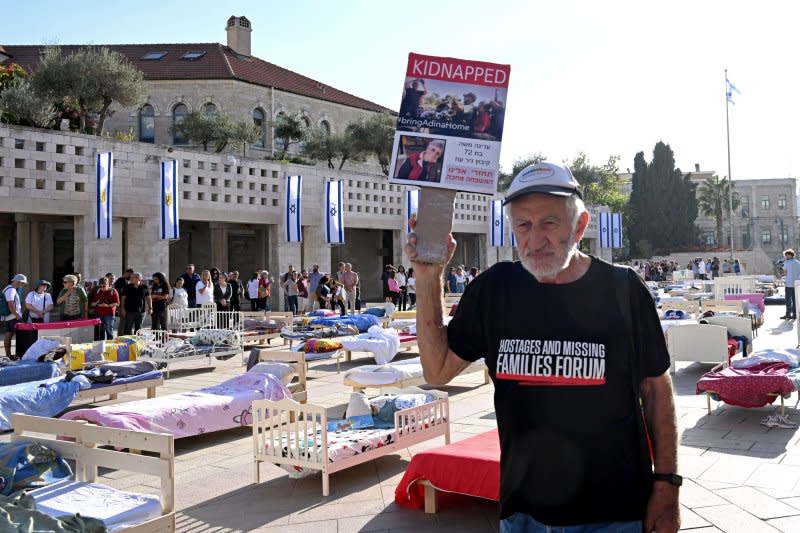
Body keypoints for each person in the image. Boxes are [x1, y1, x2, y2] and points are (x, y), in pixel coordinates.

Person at [405, 161, 680, 532]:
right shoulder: (494, 290)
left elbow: (657, 389)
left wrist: (667, 486)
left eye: (549, 223)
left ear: (580, 226)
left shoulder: (623, 289)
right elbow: (437, 370)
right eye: (523, 225)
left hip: (613, 514)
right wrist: (428, 276)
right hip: (523, 514)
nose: (534, 240)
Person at [2, 274, 27, 358]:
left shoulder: (7, 288)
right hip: (13, 317)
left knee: (9, 334)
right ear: (17, 281)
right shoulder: (11, 290)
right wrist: (17, 315)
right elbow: (11, 304)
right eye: (22, 283)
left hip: (8, 316)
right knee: (22, 335)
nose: (22, 285)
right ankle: (19, 355)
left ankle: (8, 355)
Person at [782, 249, 800, 320]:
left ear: (789, 255)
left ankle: (788, 314)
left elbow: (785, 273)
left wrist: (783, 274)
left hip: (789, 284)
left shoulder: (786, 262)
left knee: (788, 300)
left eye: (786, 255)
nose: (785, 256)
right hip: (796, 284)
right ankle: (795, 314)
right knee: (795, 300)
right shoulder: (798, 262)